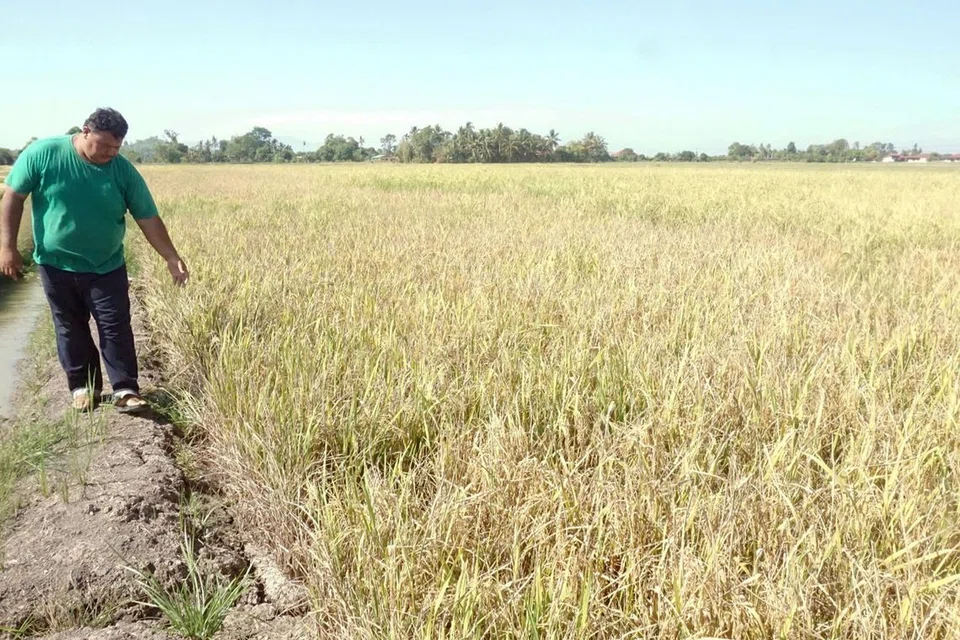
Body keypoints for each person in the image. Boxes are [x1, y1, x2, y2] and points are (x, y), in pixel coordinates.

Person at [0, 107, 188, 413]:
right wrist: (6, 247)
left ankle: (125, 388)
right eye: (105, 146)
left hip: (106, 264)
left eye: (117, 147)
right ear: (85, 132)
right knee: (70, 325)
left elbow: (147, 216)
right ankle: (83, 387)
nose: (111, 153)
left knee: (115, 325)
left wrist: (171, 256)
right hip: (55, 264)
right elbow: (13, 197)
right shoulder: (44, 153)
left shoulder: (122, 170)